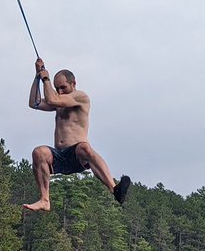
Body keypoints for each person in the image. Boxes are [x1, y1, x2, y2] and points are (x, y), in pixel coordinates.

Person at [23, 57, 130, 212]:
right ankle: (45, 200)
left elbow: (53, 99)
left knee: (84, 148)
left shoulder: (80, 97)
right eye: (56, 88)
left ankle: (114, 189)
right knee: (39, 152)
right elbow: (34, 103)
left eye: (63, 87)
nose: (60, 91)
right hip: (59, 157)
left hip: (77, 156)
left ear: (74, 84)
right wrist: (37, 76)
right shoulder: (58, 102)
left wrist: (45, 77)